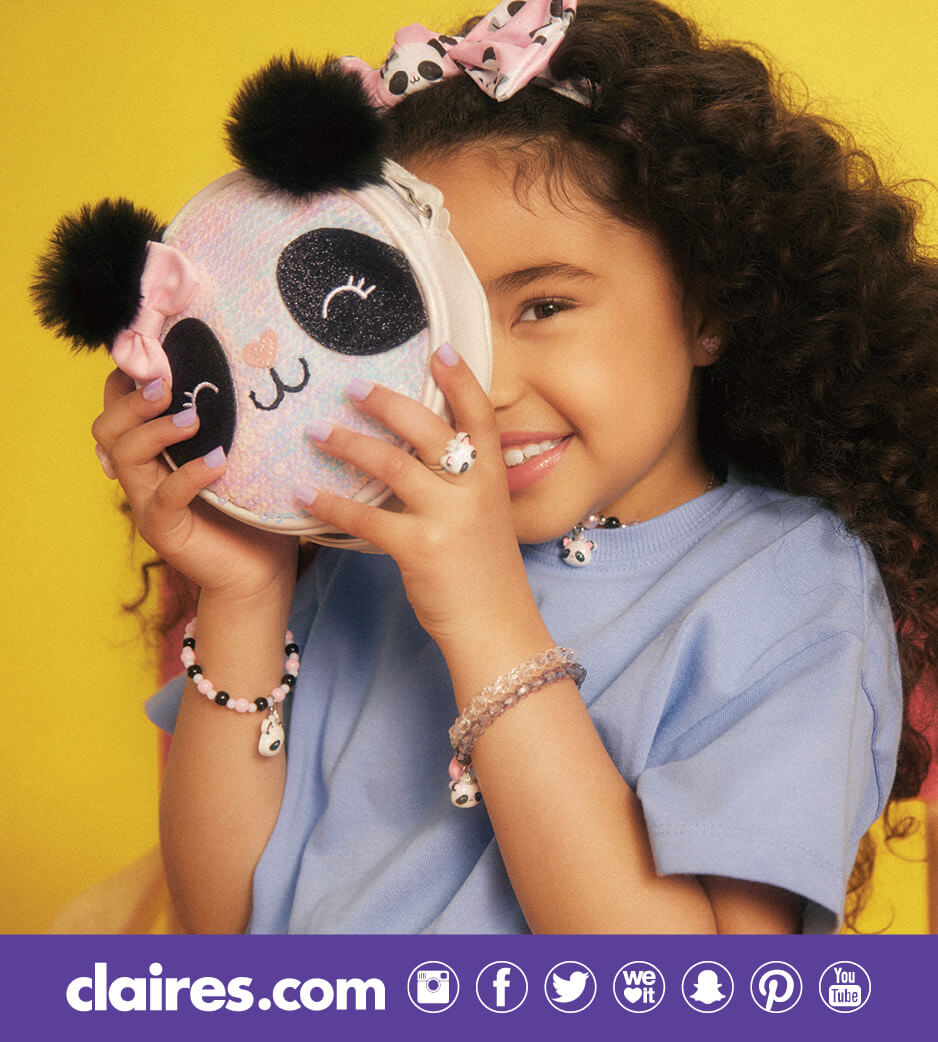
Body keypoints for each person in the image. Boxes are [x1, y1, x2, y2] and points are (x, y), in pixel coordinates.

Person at [90, 0, 938, 934]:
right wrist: (246, 594)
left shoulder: (786, 589)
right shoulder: (372, 548)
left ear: (707, 305)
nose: (480, 387)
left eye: (542, 306)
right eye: (431, 322)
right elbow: (227, 929)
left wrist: (486, 613)